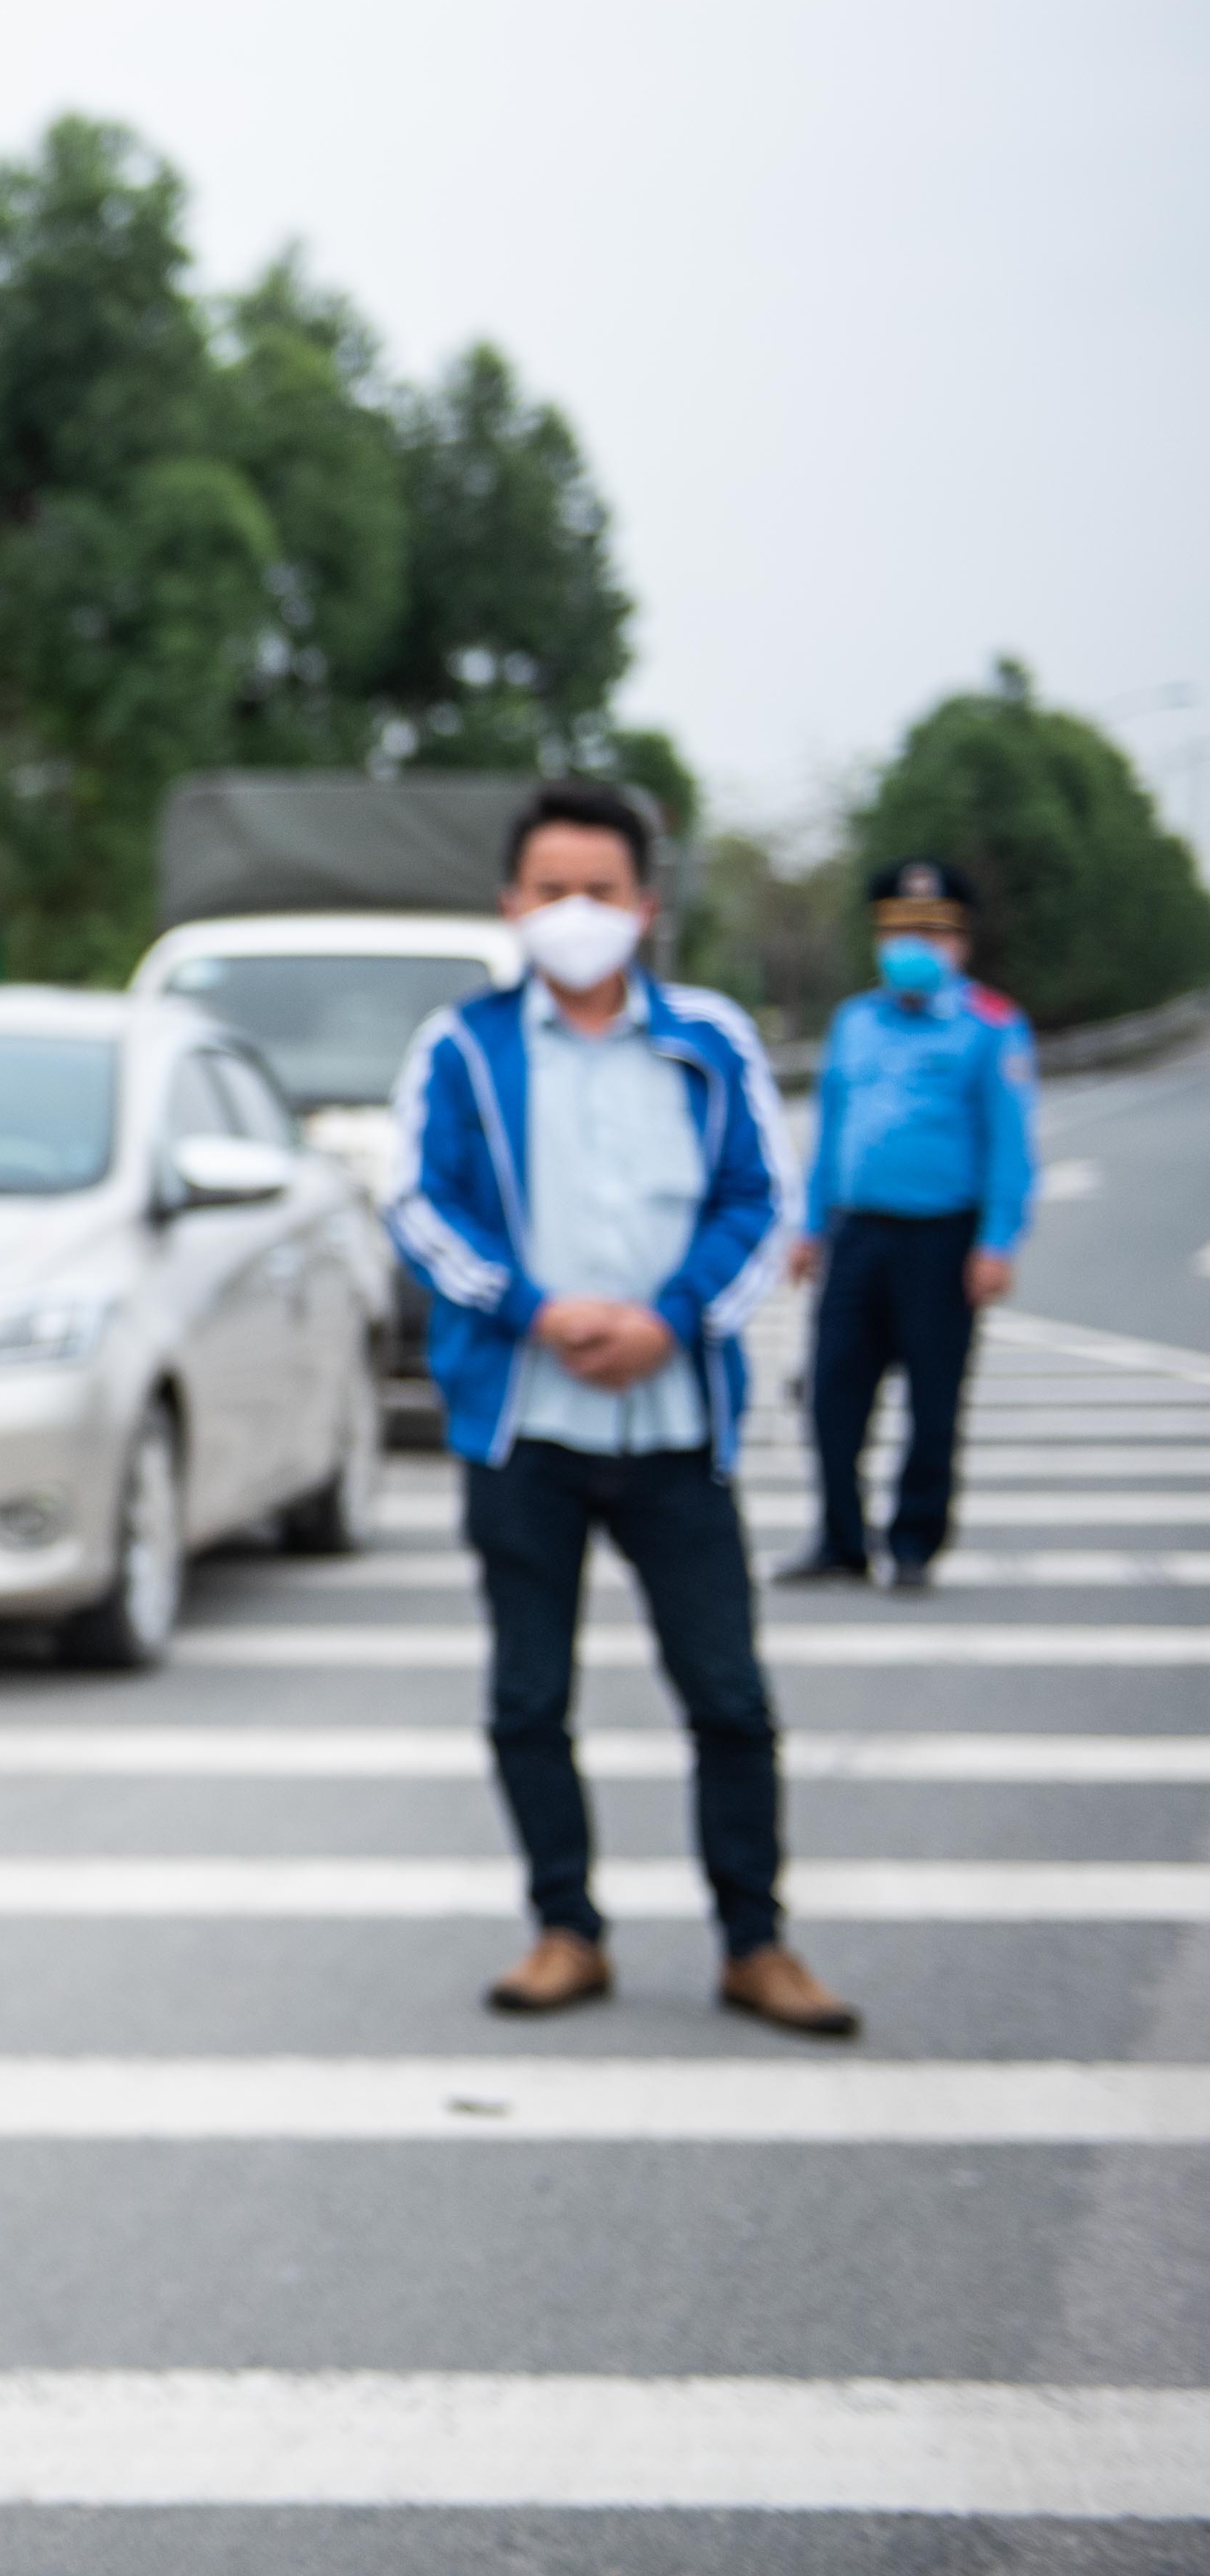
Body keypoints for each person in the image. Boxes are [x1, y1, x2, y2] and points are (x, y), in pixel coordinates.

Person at [387, 779, 857, 2040]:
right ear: (509, 903)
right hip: (523, 1423)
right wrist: (537, 1309)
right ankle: (564, 1930)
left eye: (600, 890)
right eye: (550, 890)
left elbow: (763, 1204)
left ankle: (754, 1943)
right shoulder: (462, 1045)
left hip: (672, 1427)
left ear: (646, 906)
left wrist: (670, 1320)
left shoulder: (708, 1041)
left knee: (727, 1696)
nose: (574, 913)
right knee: (528, 1698)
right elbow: (422, 1211)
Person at [774, 857, 1038, 1594]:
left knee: (932, 1399)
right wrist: (809, 1225)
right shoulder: (855, 1021)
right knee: (830, 1393)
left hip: (941, 1239)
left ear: (959, 941)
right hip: (857, 1234)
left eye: (929, 930)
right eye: (897, 930)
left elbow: (1010, 1145)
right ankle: (838, 1537)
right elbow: (831, 1132)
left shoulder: (990, 1025)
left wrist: (996, 1240)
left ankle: (914, 1540)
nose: (911, 944)